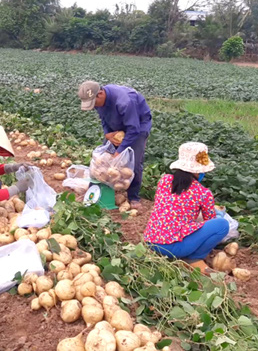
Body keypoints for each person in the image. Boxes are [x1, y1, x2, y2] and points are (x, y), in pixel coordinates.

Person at [143, 142, 229, 273]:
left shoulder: (164, 180)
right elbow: (210, 220)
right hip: (172, 248)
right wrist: (219, 214)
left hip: (151, 241)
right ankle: (194, 258)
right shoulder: (203, 192)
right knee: (222, 225)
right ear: (198, 170)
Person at [78, 81, 152, 208]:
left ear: (100, 94)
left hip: (138, 126)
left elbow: (133, 129)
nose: (94, 107)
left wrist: (119, 152)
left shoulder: (125, 101)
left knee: (134, 161)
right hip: (116, 123)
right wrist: (108, 134)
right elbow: (104, 118)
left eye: (94, 103)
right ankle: (96, 191)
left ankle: (133, 197)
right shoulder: (99, 102)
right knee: (102, 160)